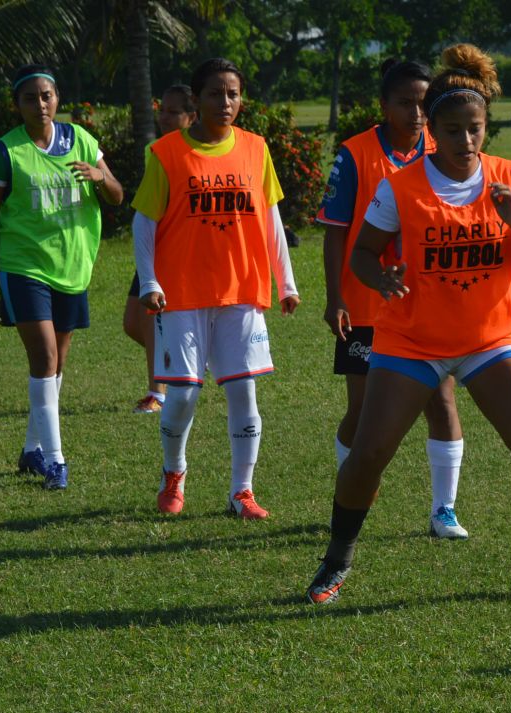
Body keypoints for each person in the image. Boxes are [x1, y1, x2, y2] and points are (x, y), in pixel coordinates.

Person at [306, 44, 511, 605]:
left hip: (490, 339)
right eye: (452, 130)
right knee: (369, 453)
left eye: (474, 130)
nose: (465, 142)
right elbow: (362, 255)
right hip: (412, 341)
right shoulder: (401, 186)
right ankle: (336, 559)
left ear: (485, 126)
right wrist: (379, 279)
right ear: (433, 129)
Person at [132, 57, 300, 518]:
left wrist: (285, 282)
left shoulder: (255, 148)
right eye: (215, 94)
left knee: (243, 392)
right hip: (181, 292)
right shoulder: (166, 153)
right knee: (184, 393)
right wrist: (149, 280)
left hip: (241, 290)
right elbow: (144, 223)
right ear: (196, 99)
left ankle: (241, 492)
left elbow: (270, 218)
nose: (225, 103)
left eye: (233, 94)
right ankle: (174, 475)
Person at [317, 59, 470, 540]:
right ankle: (352, 486)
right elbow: (337, 233)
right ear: (383, 105)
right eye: (405, 102)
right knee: (363, 410)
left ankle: (444, 510)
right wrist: (336, 296)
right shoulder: (355, 154)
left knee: (440, 400)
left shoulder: (440, 150)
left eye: (424, 102)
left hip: (430, 306)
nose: (417, 112)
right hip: (367, 304)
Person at [0, 64, 123, 489]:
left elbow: (117, 195)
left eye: (47, 96)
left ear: (57, 98)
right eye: (30, 98)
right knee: (43, 358)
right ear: (17, 105)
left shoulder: (81, 139)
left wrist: (101, 177)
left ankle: (31, 448)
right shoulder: (7, 151)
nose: (40, 104)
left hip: (72, 267)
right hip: (24, 266)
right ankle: (56, 462)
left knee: (57, 364)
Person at [123, 85, 195, 414]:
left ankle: (158, 393)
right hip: (152, 245)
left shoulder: (192, 152)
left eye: (173, 112)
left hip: (174, 249)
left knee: (153, 322)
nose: (164, 117)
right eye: (162, 110)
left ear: (191, 118)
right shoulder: (155, 148)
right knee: (132, 323)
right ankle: (183, 362)